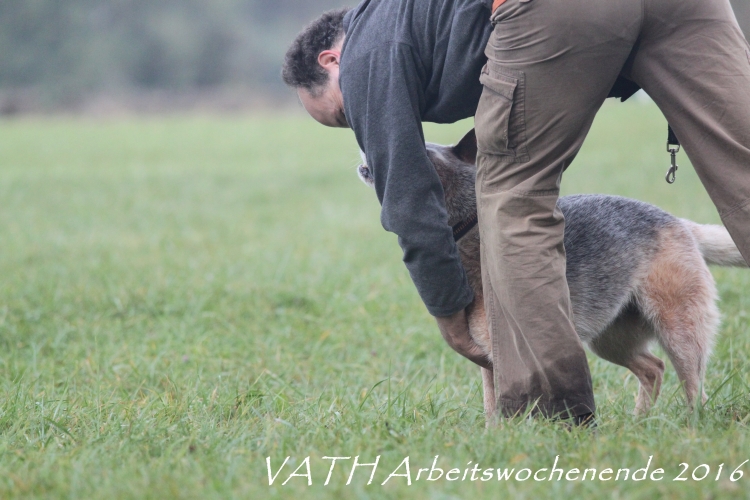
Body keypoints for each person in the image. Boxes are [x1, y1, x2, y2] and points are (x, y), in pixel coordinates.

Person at [282, 0, 750, 424]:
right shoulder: (399, 20)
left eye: (345, 115)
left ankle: (544, 417)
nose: (361, 126)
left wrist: (449, 314)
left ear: (331, 60)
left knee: (513, 203)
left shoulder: (364, 54)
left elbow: (408, 198)